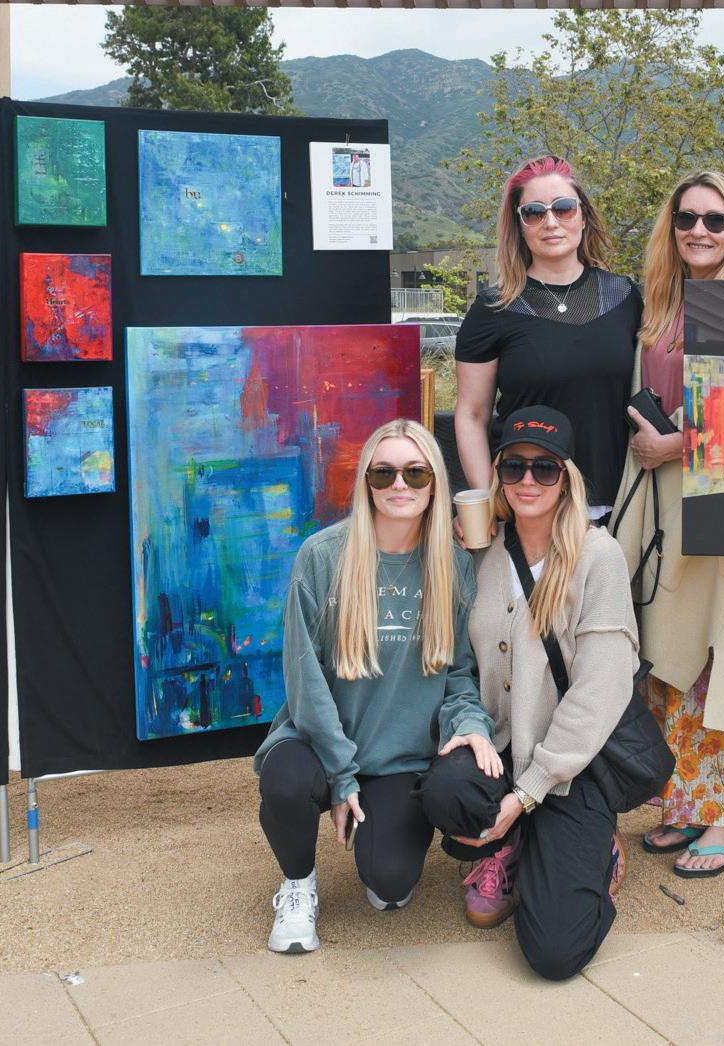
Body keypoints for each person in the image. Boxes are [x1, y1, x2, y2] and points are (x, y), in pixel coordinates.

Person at [254, 420, 502, 954]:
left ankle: (382, 842)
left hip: (399, 758)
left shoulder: (453, 565)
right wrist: (341, 774)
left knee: (390, 882)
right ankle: (297, 885)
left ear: (435, 483)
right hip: (318, 744)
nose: (400, 484)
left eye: (416, 472)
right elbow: (305, 679)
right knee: (286, 783)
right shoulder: (323, 557)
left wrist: (472, 724)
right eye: (384, 472)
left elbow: (460, 673)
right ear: (366, 482)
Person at [611, 171, 724, 877]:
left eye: (715, 220)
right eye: (687, 218)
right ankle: (690, 801)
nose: (699, 230)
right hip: (665, 502)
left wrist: (676, 444)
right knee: (673, 656)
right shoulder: (663, 304)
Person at [417, 406, 639, 980]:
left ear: (567, 478)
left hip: (569, 767)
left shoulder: (598, 556)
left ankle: (589, 849)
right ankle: (508, 848)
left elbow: (600, 689)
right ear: (498, 475)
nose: (528, 481)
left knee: (555, 952)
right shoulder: (480, 548)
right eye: (513, 467)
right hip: (497, 751)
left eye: (545, 468)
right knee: (443, 790)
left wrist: (527, 793)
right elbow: (457, 658)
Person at [454, 155, 643, 520]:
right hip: (528, 506)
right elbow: (472, 414)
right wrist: (488, 503)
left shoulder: (624, 297)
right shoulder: (494, 308)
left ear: (583, 216)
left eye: (564, 208)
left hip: (618, 504)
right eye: (534, 212)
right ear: (520, 225)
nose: (551, 222)